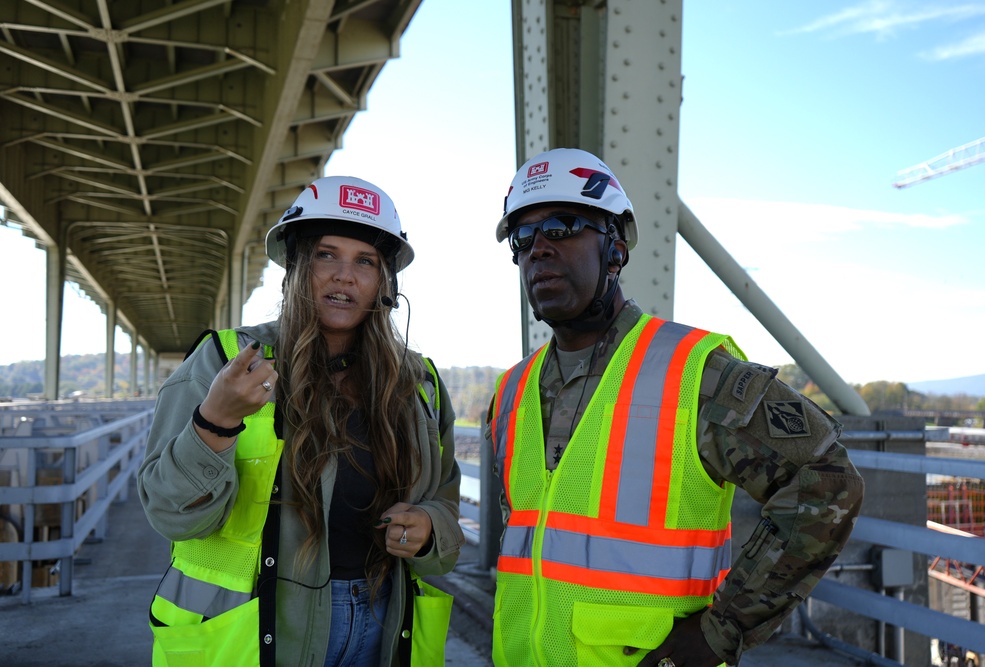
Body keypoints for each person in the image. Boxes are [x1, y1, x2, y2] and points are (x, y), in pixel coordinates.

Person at [487, 148, 865, 667]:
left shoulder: (694, 373)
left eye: (563, 226)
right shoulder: (510, 394)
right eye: (522, 238)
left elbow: (826, 476)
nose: (539, 250)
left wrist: (722, 630)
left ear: (615, 248)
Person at [138, 176, 464, 667]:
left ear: (385, 282)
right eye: (325, 255)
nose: (344, 276)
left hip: (382, 619)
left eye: (365, 262)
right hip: (260, 628)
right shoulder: (225, 361)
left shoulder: (418, 382)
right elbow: (170, 513)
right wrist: (217, 421)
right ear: (295, 265)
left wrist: (429, 527)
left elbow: (446, 503)